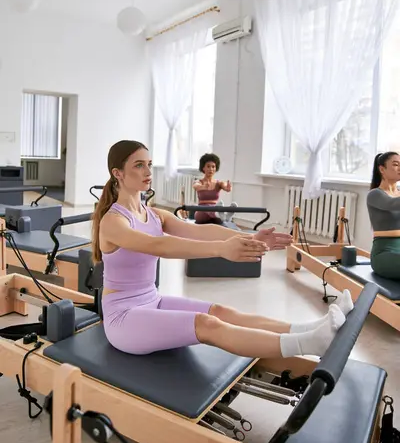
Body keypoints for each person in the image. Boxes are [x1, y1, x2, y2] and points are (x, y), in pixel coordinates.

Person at [92, 140, 354, 359]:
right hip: (123, 318)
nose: (147, 170)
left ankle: (309, 329)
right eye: (138, 165)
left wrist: (251, 237)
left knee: (221, 312)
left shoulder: (154, 214)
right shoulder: (113, 221)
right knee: (208, 324)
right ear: (118, 173)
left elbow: (201, 230)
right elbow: (157, 245)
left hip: (153, 301)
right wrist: (221, 250)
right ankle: (307, 345)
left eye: (149, 164)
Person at [367, 151, 400, 280]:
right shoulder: (375, 194)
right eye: (396, 164)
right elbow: (392, 204)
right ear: (382, 169)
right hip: (383, 254)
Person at [192, 153, 237, 224]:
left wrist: (228, 188)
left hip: (215, 209)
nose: (211, 169)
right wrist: (203, 187)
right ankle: (221, 215)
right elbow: (196, 186)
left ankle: (226, 217)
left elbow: (225, 187)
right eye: (208, 166)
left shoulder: (218, 183)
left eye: (213, 167)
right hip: (202, 212)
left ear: (216, 169)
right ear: (203, 168)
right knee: (211, 211)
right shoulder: (199, 182)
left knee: (218, 214)